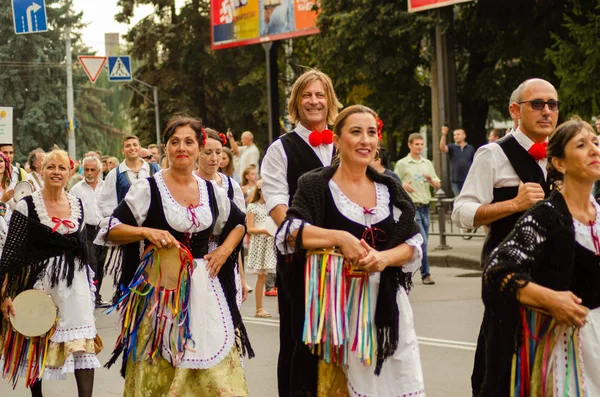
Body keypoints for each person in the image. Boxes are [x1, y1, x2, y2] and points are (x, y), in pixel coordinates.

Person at [96, 115, 252, 396]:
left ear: (199, 147)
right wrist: (145, 233)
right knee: (162, 374)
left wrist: (224, 251)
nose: (182, 147)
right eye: (174, 142)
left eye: (189, 142)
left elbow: (239, 224)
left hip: (205, 291)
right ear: (165, 147)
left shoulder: (211, 191)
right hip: (160, 294)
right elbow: (109, 229)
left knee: (215, 376)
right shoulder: (148, 188)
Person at [276, 105, 424, 396]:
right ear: (337, 139)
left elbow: (414, 242)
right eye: (355, 132)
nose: (365, 140)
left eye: (371, 133)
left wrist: (383, 258)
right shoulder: (316, 185)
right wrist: (341, 237)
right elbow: (289, 232)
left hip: (386, 310)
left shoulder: (389, 187)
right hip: (335, 311)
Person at [477, 117, 600, 396]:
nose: (594, 150)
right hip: (568, 349)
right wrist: (552, 299)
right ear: (559, 163)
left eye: (596, 142)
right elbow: (497, 272)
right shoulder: (546, 216)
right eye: (581, 145)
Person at [452, 78, 559, 395]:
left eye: (552, 104)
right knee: (501, 366)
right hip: (508, 278)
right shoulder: (493, 154)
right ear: (515, 110)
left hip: (556, 279)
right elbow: (461, 212)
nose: (546, 111)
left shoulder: (563, 154)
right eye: (537, 104)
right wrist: (513, 204)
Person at [260, 68, 342, 396]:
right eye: (307, 95)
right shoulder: (281, 149)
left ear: (330, 100)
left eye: (320, 95)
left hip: (345, 261)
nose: (314, 101)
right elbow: (278, 207)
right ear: (296, 102)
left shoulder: (345, 141)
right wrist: (314, 238)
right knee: (299, 342)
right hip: (300, 260)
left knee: (342, 340)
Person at [0, 149, 100, 397]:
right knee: (37, 337)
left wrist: (90, 281)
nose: (56, 172)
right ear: (41, 171)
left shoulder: (78, 204)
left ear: (69, 173)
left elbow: (83, 246)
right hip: (38, 281)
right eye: (51, 167)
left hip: (74, 283)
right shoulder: (26, 206)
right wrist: (4, 294)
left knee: (83, 346)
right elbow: (12, 255)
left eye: (62, 168)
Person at [195, 128, 250, 303]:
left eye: (218, 152)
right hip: (197, 257)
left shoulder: (231, 185)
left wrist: (241, 277)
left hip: (226, 258)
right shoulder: (190, 182)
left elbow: (238, 231)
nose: (214, 158)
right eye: (207, 153)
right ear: (197, 153)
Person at [395, 133, 441, 285]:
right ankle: (425, 274)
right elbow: (393, 184)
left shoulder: (427, 163)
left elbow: (437, 184)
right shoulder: (403, 164)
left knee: (423, 241)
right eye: (417, 144)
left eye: (422, 144)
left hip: (426, 206)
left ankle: (410, 269)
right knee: (424, 242)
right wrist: (403, 186)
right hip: (412, 207)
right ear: (409, 145)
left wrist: (430, 179)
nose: (419, 147)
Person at [69, 155, 108, 307]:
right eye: (86, 170)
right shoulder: (76, 189)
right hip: (86, 230)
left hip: (104, 230)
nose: (90, 173)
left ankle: (97, 295)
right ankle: (91, 296)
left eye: (93, 170)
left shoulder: (106, 187)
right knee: (91, 262)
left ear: (99, 170)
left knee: (101, 262)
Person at [97, 135, 159, 218]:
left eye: (135, 145)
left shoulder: (154, 169)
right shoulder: (115, 174)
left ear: (140, 148)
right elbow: (105, 203)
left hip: (154, 223)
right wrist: (117, 222)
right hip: (128, 225)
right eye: (128, 146)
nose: (132, 148)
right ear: (123, 150)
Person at [245, 181, 276, 318]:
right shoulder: (253, 207)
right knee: (262, 276)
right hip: (260, 243)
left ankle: (281, 309)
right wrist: (264, 231)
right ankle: (259, 308)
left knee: (277, 277)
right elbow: (249, 228)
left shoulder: (273, 208)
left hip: (272, 243)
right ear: (259, 191)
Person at [439, 126, 475, 196]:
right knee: (459, 199)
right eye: (454, 135)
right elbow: (442, 148)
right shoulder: (452, 147)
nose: (456, 136)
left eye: (458, 134)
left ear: (464, 136)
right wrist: (443, 135)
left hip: (468, 180)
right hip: (456, 180)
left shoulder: (470, 148)